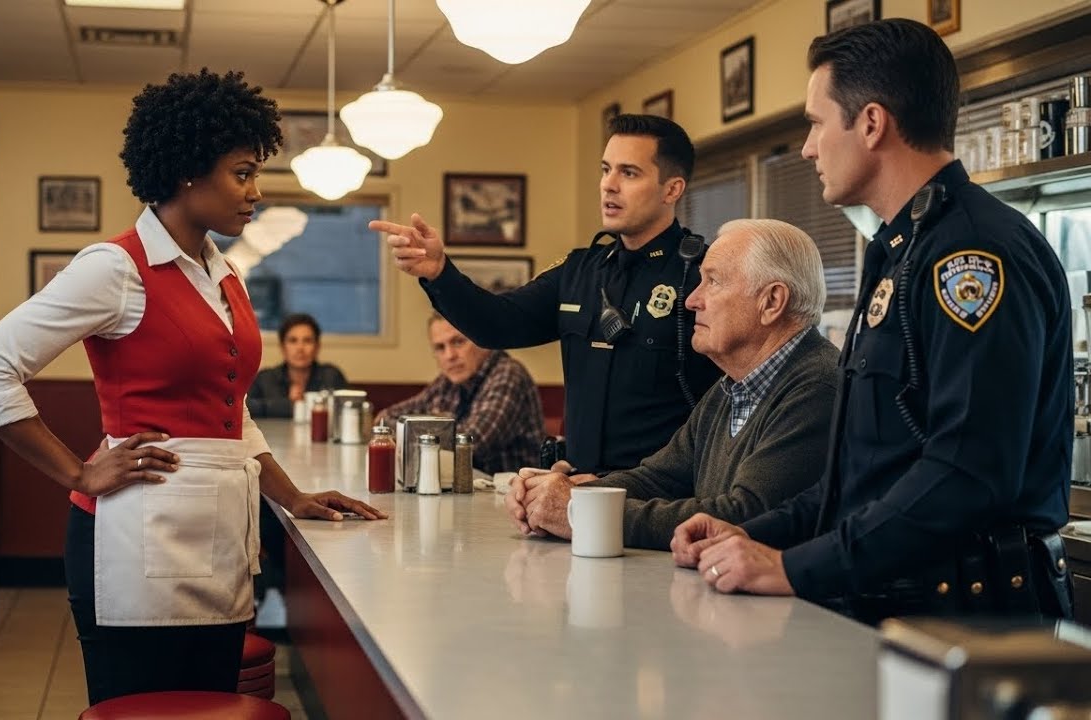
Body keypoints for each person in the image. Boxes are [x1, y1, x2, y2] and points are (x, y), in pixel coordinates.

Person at [0, 68, 385, 705]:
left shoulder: (222, 272)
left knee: (206, 706)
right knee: (139, 709)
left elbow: (228, 411)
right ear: (187, 172)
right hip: (133, 534)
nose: (256, 192)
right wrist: (79, 473)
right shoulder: (115, 268)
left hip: (217, 536)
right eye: (242, 173)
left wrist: (290, 496)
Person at [672, 19, 1074, 623]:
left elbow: (965, 475)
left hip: (968, 617)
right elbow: (867, 477)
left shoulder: (970, 256)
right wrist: (750, 531)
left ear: (871, 123)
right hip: (890, 606)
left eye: (815, 122)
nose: (807, 147)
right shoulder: (900, 250)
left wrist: (790, 567)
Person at [372, 114, 722, 474]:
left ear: (672, 190)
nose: (608, 185)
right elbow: (497, 324)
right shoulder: (580, 271)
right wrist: (439, 273)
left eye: (629, 173)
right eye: (605, 170)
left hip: (661, 498)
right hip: (575, 491)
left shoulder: (703, 275)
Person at [507, 220, 838, 548]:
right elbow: (658, 477)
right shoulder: (729, 387)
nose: (692, 300)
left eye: (713, 282)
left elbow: (743, 516)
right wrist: (557, 493)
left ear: (771, 302)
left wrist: (582, 514)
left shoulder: (817, 387)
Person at [380, 314, 545, 474]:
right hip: (468, 490)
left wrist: (414, 432)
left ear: (482, 339)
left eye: (458, 342)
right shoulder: (448, 381)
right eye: (440, 347)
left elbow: (471, 442)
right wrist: (432, 432)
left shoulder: (508, 374)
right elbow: (386, 418)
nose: (450, 356)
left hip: (511, 495)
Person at [247, 313, 348, 418]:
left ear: (317, 347)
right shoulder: (265, 378)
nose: (300, 348)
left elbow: (346, 412)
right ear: (282, 347)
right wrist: (288, 405)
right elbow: (247, 410)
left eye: (307, 341)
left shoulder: (331, 376)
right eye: (293, 341)